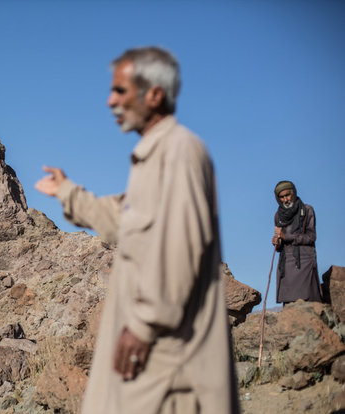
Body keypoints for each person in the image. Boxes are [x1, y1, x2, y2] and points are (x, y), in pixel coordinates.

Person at [35, 47, 239, 414]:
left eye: (120, 91)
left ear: (155, 94)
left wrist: (145, 325)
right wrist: (66, 190)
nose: (111, 101)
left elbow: (181, 247)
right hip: (154, 354)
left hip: (169, 358)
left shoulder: (179, 152)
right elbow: (118, 219)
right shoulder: (152, 159)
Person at [271, 181, 322, 304]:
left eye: (287, 195)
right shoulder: (278, 216)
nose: (285, 199)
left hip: (304, 261)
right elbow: (280, 245)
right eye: (281, 197)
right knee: (289, 304)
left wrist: (286, 236)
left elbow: (311, 237)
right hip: (286, 264)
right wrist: (276, 242)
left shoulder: (307, 210)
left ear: (293, 193)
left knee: (309, 302)